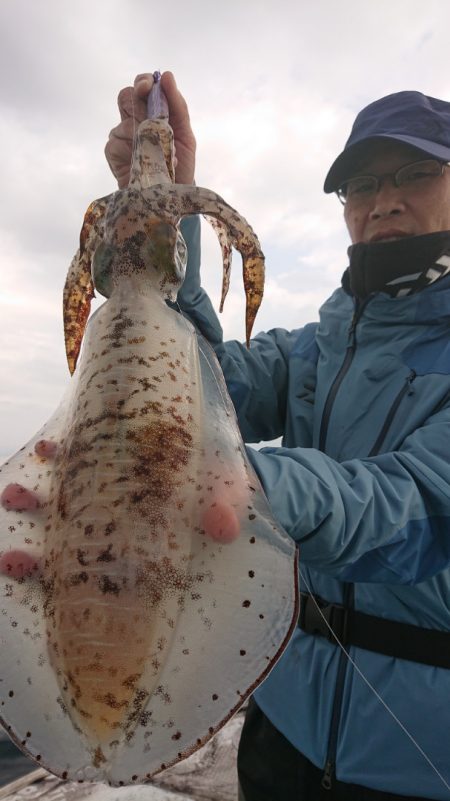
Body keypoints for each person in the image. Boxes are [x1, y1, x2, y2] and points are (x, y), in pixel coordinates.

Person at [3, 75, 450, 800]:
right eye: (361, 184)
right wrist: (164, 209)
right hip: (282, 732)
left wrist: (257, 484)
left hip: (418, 761)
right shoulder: (313, 350)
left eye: (416, 172)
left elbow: (426, 499)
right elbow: (196, 371)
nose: (384, 199)